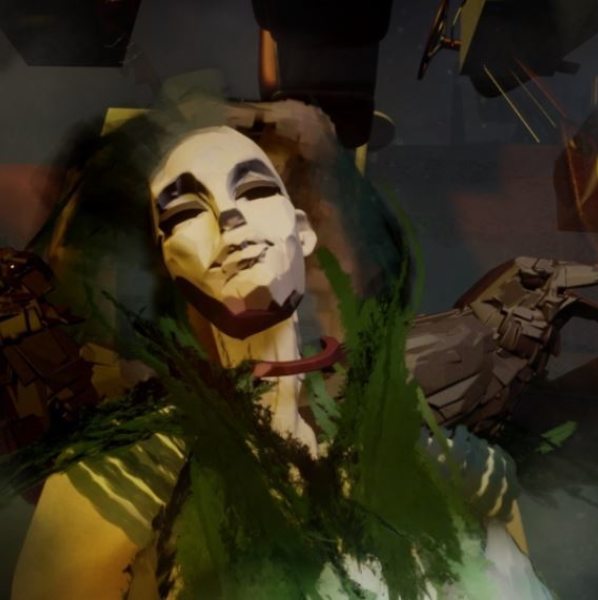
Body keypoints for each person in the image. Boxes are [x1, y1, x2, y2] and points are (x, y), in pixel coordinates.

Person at [12, 109, 550, 598]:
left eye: (254, 191)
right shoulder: (126, 470)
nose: (231, 221)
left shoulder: (417, 432)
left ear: (302, 231)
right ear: (168, 261)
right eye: (186, 212)